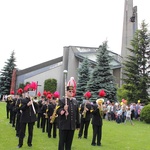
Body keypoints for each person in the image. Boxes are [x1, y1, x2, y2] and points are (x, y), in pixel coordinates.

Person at [57, 77, 80, 150]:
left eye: (72, 91)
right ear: (66, 92)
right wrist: (63, 109)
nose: (71, 92)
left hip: (71, 126)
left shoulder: (75, 102)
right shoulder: (62, 100)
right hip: (64, 125)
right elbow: (58, 110)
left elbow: (77, 114)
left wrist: (78, 124)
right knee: (61, 143)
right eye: (69, 91)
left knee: (69, 143)